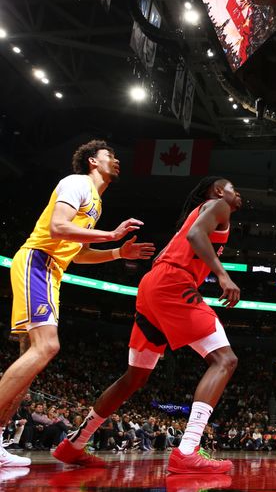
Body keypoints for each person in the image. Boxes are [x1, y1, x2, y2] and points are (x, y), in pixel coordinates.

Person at [52, 177, 242, 473]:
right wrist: (222, 275)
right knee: (225, 360)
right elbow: (195, 236)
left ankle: (74, 444)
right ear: (218, 191)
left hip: (152, 286)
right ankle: (188, 449)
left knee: (134, 377)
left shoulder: (207, 211)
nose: (237, 193)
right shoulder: (218, 205)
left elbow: (192, 237)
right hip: (172, 283)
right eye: (233, 188)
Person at [0, 140, 154, 468]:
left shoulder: (95, 202)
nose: (116, 160)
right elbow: (57, 227)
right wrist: (111, 236)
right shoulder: (77, 183)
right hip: (37, 262)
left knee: (30, 364)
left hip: (52, 272)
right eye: (110, 155)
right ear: (92, 161)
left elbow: (77, 250)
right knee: (47, 347)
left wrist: (116, 253)